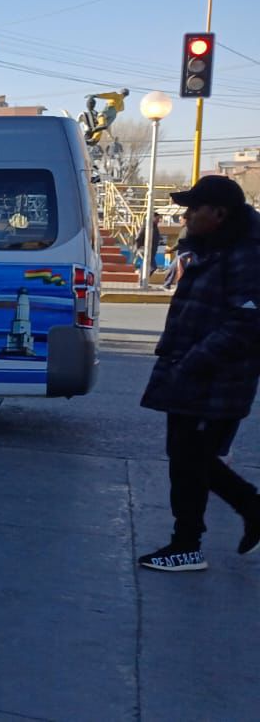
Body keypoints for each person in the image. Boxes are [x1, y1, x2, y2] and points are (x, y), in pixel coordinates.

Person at [138, 175, 260, 572]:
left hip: (215, 379)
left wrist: (193, 360)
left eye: (194, 209)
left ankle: (187, 545)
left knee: (190, 461)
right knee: (190, 457)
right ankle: (249, 509)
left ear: (219, 214)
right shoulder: (213, 249)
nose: (186, 215)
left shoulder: (247, 254)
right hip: (194, 374)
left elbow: (247, 321)